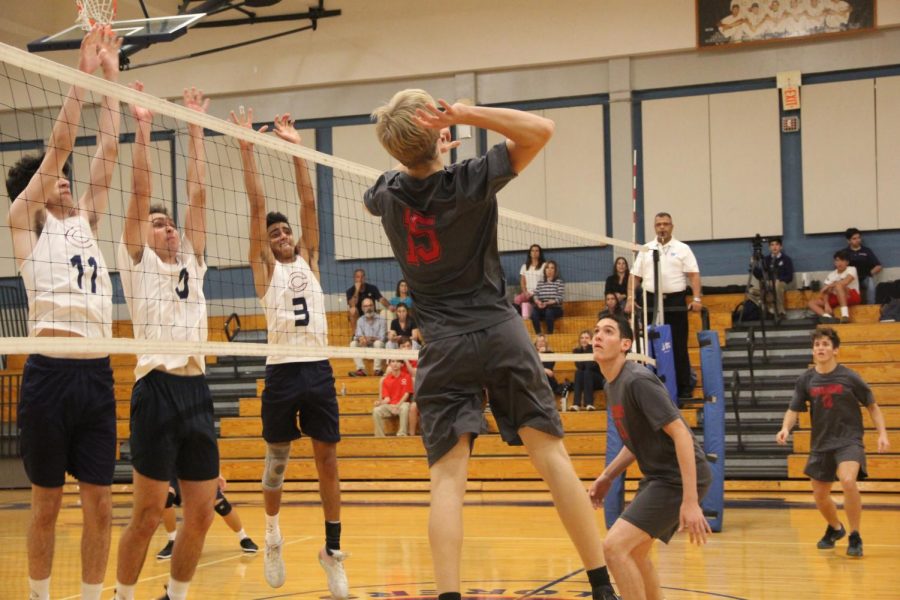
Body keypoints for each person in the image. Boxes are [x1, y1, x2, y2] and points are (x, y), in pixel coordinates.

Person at [364, 89, 618, 600]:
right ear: (436, 128)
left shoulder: (385, 192)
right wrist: (463, 115)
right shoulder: (470, 179)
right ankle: (600, 587)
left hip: (443, 344)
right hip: (499, 332)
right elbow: (540, 130)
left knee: (447, 481)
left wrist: (426, 146)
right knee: (551, 458)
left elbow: (402, 173)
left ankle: (450, 596)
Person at [5, 25, 122, 600]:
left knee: (100, 504)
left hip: (97, 373)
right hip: (49, 373)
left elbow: (109, 147)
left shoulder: (87, 221)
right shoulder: (25, 223)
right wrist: (80, 71)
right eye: (58, 179)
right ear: (40, 189)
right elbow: (60, 149)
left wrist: (112, 75)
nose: (69, 180)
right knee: (46, 504)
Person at [231, 109, 348, 596]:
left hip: (317, 370)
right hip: (281, 371)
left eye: (285, 234)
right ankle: (273, 533)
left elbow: (307, 202)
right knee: (276, 460)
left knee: (328, 460)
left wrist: (297, 148)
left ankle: (332, 550)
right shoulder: (265, 269)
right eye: (274, 234)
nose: (281, 237)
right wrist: (248, 152)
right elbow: (258, 208)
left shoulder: (311, 259)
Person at [114, 87, 218, 600]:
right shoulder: (138, 263)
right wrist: (143, 127)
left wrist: (195, 129)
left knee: (200, 513)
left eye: (170, 223)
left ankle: (173, 597)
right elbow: (138, 194)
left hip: (196, 388)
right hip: (155, 388)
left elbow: (198, 196)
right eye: (159, 224)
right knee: (150, 513)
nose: (169, 228)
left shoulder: (191, 264)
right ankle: (122, 595)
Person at [589, 314, 712, 600]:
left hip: (676, 478)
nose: (597, 336)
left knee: (613, 548)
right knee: (635, 551)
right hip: (659, 477)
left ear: (625, 344)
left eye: (608, 332)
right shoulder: (612, 385)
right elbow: (634, 442)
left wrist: (690, 500)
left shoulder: (637, 380)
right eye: (596, 331)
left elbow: (681, 433)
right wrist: (607, 476)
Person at [775, 328, 890, 557]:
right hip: (821, 443)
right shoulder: (806, 379)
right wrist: (785, 428)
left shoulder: (849, 377)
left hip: (849, 440)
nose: (821, 348)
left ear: (835, 350)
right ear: (813, 350)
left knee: (848, 481)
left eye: (826, 344)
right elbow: (793, 409)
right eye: (817, 344)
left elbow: (872, 406)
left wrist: (883, 434)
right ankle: (836, 528)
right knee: (819, 494)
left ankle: (855, 535)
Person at [627, 212, 702, 401]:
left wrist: (697, 298)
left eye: (666, 224)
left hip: (675, 302)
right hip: (651, 301)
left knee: (677, 345)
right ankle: (653, 388)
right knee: (650, 346)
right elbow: (635, 276)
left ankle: (684, 387)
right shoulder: (646, 249)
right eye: (659, 224)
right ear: (654, 227)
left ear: (672, 226)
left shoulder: (683, 248)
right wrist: (629, 298)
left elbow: (693, 274)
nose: (662, 227)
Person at [155, 475, 259, 560]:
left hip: (196, 466)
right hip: (173, 469)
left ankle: (244, 537)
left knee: (221, 505)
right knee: (165, 499)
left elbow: (209, 450)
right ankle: (172, 542)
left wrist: (217, 472)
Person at [808, 250, 860, 324]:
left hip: (851, 296)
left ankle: (845, 315)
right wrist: (826, 304)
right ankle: (827, 317)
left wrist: (830, 285)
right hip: (836, 298)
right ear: (834, 262)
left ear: (847, 262)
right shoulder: (832, 274)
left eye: (843, 260)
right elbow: (825, 291)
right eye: (837, 260)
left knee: (839, 286)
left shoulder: (851, 269)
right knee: (811, 303)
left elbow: (846, 282)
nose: (840, 263)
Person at [752, 237, 794, 318]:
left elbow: (789, 277)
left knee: (777, 285)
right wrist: (754, 266)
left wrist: (779, 280)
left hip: (781, 283)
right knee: (751, 291)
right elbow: (760, 275)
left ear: (781, 247)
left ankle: (780, 312)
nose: (774, 247)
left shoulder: (786, 259)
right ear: (769, 247)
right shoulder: (766, 259)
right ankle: (769, 308)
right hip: (769, 283)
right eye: (772, 245)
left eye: (777, 245)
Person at [373, 358, 414, 437]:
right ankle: (380, 436)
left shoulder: (407, 377)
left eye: (398, 361)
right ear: (390, 364)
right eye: (393, 361)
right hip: (390, 406)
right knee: (376, 410)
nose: (395, 364)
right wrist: (380, 403)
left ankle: (402, 434)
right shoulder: (386, 380)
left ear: (402, 364)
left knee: (405, 407)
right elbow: (387, 399)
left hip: (402, 404)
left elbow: (406, 394)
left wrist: (397, 406)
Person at [348, 297, 387, 376]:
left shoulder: (381, 319)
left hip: (378, 347)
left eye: (370, 305)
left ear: (374, 306)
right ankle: (361, 370)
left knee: (378, 343)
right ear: (362, 308)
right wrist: (360, 338)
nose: (368, 308)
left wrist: (369, 338)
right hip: (365, 346)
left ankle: (377, 370)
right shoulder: (360, 320)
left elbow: (382, 338)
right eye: (365, 306)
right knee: (353, 344)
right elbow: (357, 335)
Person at [843, 228, 882, 304]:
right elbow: (839, 268)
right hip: (850, 279)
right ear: (848, 241)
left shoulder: (866, 251)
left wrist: (869, 273)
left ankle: (871, 306)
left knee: (870, 282)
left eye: (859, 238)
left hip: (864, 278)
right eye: (854, 238)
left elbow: (878, 266)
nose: (858, 240)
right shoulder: (844, 253)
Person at [530, 260, 565, 334]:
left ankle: (550, 333)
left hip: (555, 308)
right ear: (545, 270)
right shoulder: (540, 282)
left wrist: (549, 303)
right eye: (547, 268)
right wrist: (538, 302)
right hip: (542, 306)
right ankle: (538, 334)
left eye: (552, 268)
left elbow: (560, 298)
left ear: (555, 271)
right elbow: (535, 295)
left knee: (549, 312)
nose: (549, 270)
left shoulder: (559, 282)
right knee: (534, 313)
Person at [572, 330, 604, 411]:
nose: (584, 340)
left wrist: (590, 347)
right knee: (578, 372)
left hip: (598, 380)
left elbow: (590, 366)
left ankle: (589, 404)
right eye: (582, 338)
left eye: (587, 338)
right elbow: (580, 366)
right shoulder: (576, 351)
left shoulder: (596, 350)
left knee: (587, 372)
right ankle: (576, 404)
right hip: (585, 379)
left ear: (591, 340)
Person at [515, 244, 546, 320]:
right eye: (532, 250)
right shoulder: (524, 266)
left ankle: (532, 315)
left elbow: (547, 281)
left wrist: (536, 292)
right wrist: (525, 292)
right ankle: (519, 320)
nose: (534, 252)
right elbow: (522, 282)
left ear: (540, 253)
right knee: (517, 299)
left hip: (539, 293)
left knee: (535, 301)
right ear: (530, 253)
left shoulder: (544, 265)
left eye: (537, 250)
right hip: (528, 293)